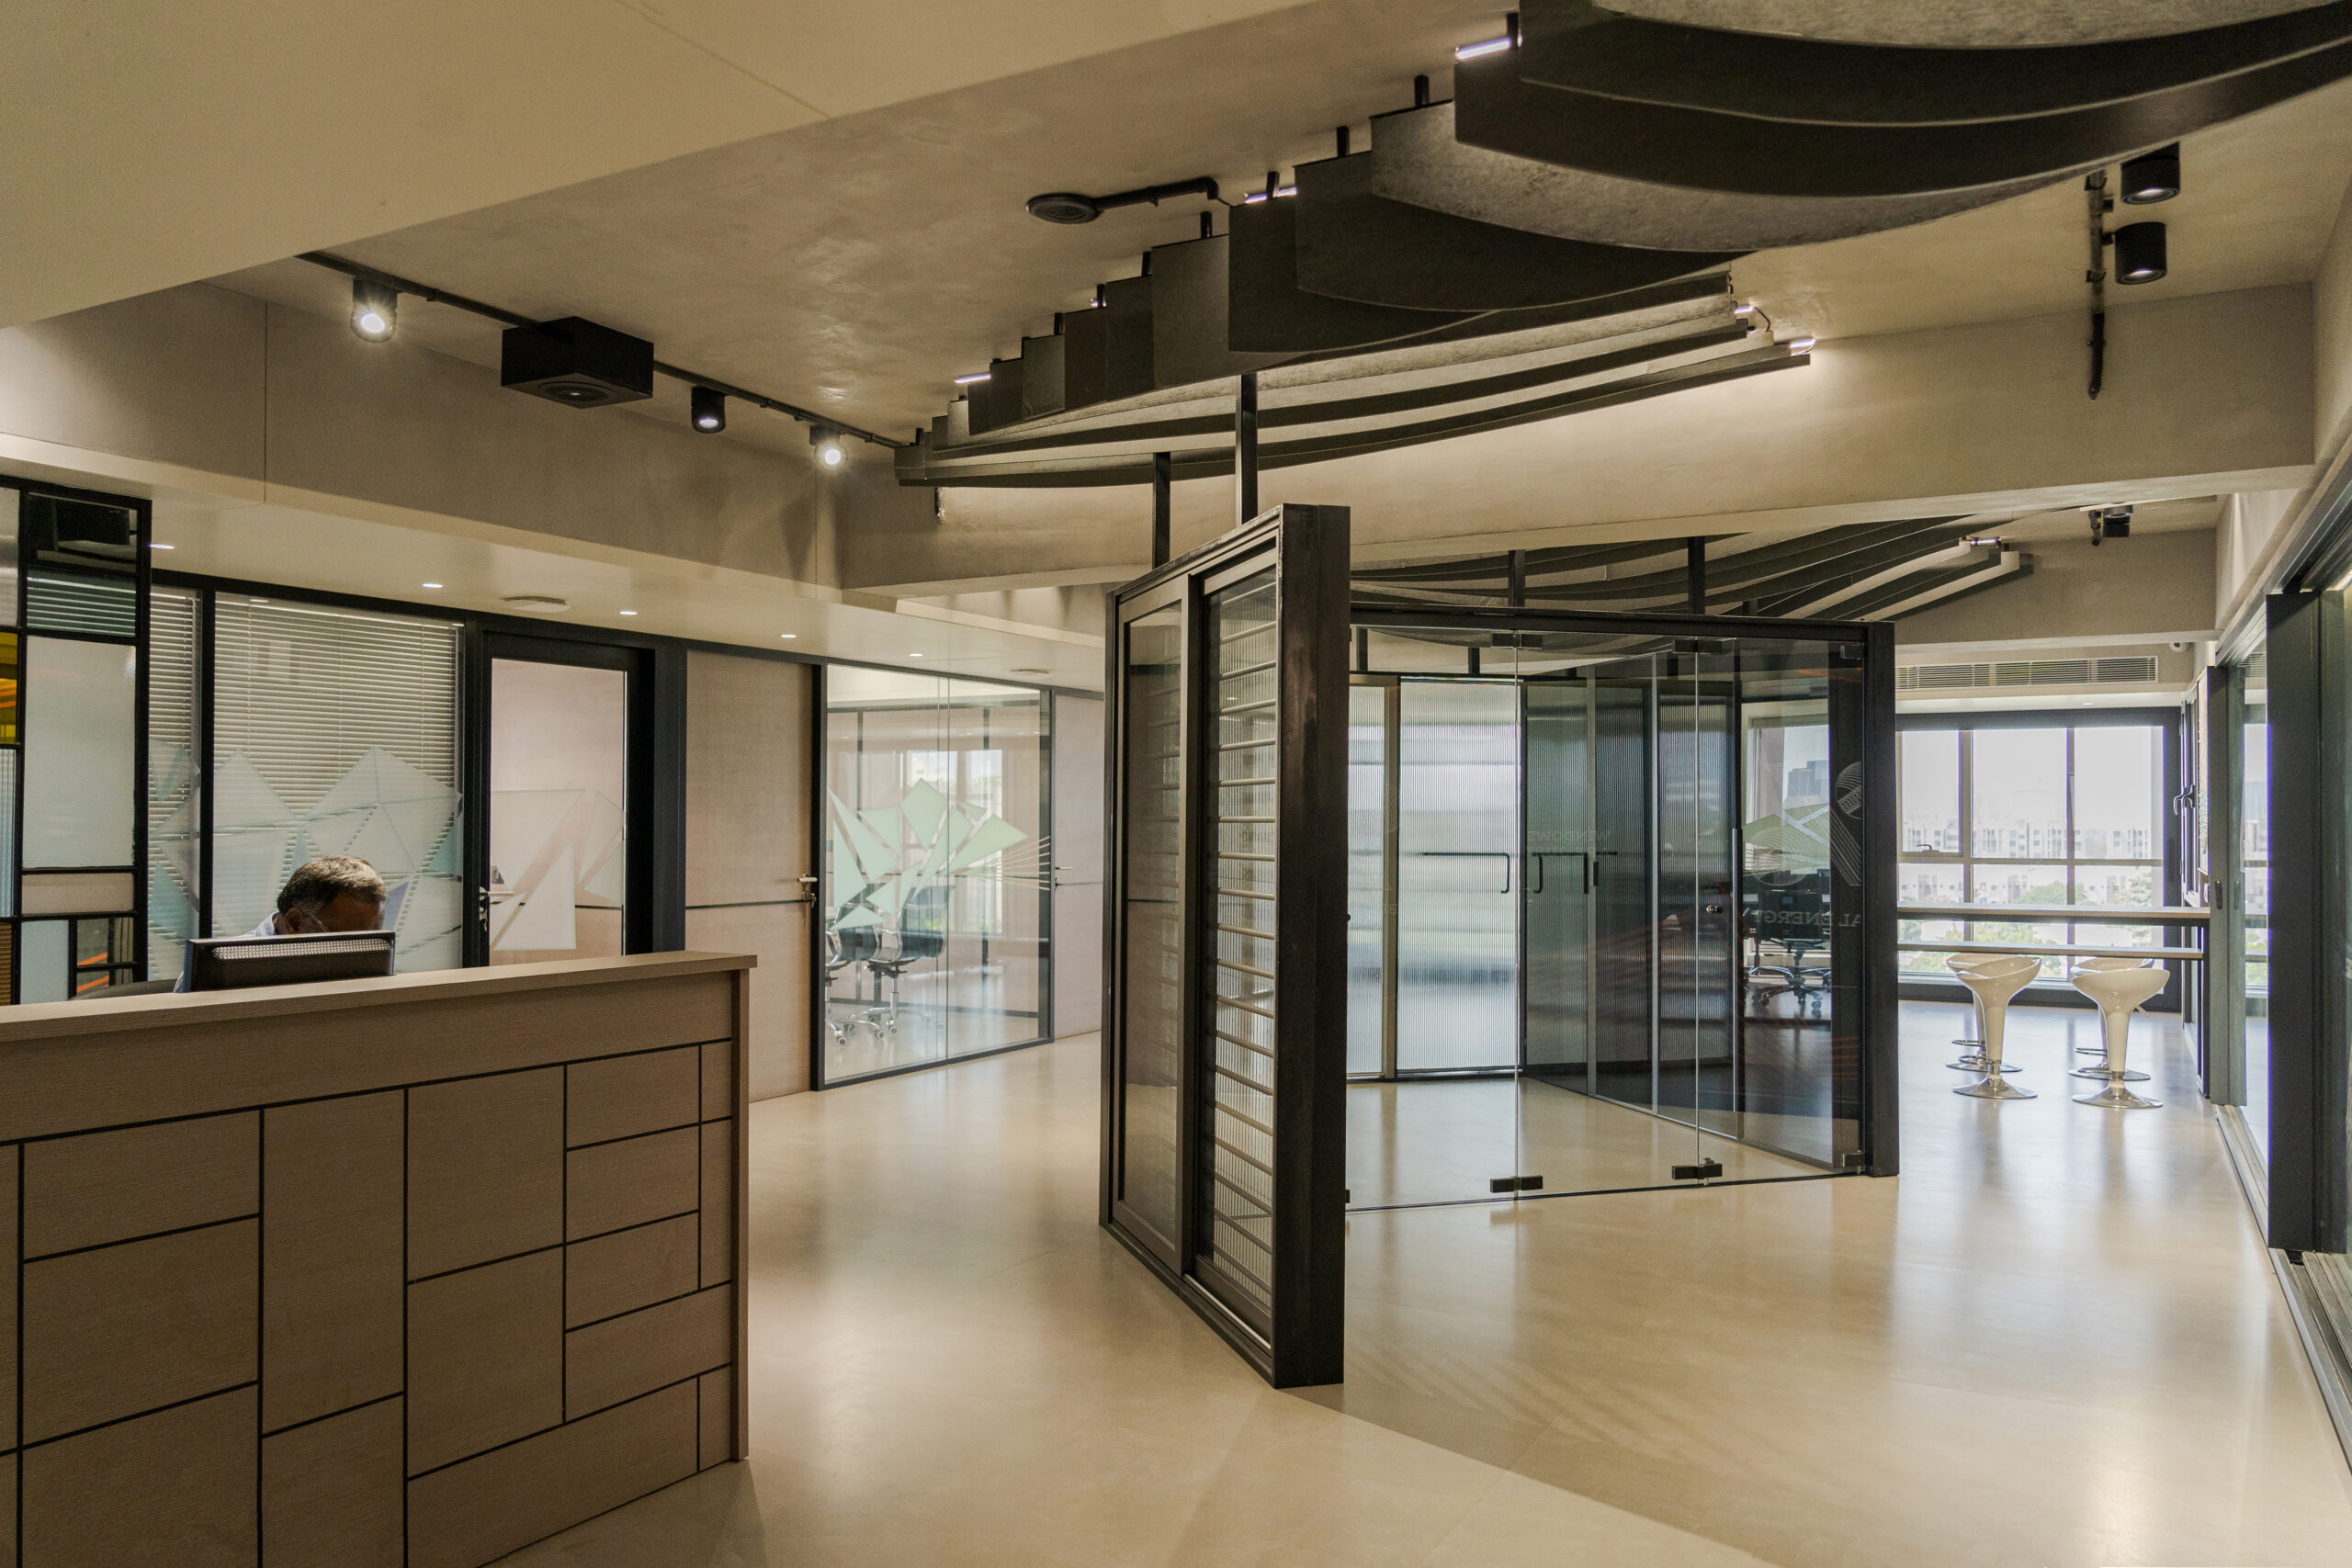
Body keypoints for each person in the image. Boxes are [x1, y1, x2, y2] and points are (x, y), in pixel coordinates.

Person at [176, 855, 389, 990]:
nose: (364, 953)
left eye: (375, 939)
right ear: (295, 923)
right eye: (348, 940)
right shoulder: (216, 969)